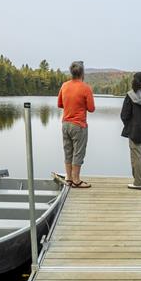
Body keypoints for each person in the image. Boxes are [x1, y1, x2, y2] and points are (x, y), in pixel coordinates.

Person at [57, 60, 95, 188]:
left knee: (68, 151)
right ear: (82, 73)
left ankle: (69, 179)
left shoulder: (64, 86)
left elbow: (60, 104)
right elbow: (91, 108)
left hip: (65, 124)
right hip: (79, 125)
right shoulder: (86, 88)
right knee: (78, 153)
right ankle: (76, 180)